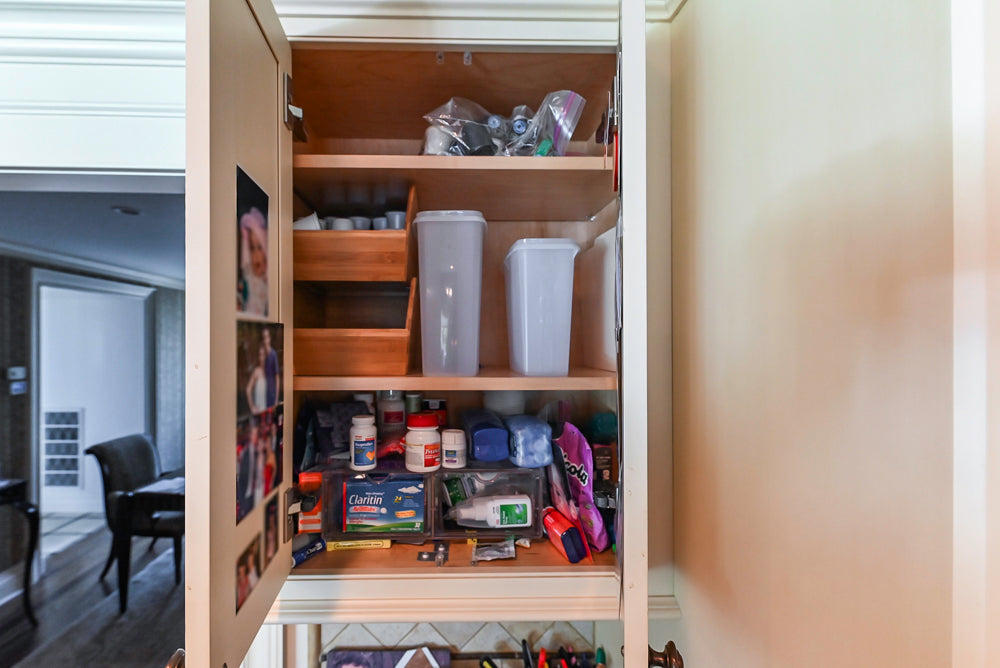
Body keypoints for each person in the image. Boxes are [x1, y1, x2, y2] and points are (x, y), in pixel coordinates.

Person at [239, 206, 268, 316]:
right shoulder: (248, 273)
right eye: (252, 248)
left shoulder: (268, 277)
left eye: (259, 247)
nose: (255, 254)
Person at [245, 343, 268, 415]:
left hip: (269, 412)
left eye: (263, 354)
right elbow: (248, 389)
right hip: (259, 412)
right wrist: (252, 407)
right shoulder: (257, 371)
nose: (262, 357)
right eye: (260, 355)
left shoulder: (271, 372)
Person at [262, 327, 280, 408]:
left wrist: (276, 399)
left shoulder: (273, 355)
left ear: (269, 338)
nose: (265, 340)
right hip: (263, 393)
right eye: (263, 338)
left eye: (266, 337)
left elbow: (277, 377)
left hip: (271, 394)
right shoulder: (261, 355)